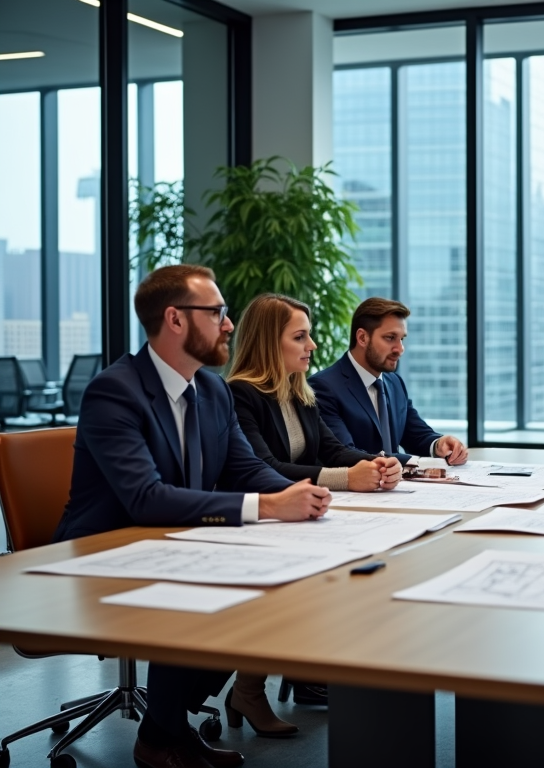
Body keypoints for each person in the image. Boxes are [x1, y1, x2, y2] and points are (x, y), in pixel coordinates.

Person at [54, 265, 333, 768]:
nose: (229, 325)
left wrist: (303, 496)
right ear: (175, 321)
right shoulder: (114, 391)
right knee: (209, 596)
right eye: (218, 313)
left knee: (269, 590)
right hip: (102, 553)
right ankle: (162, 736)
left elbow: (245, 467)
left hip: (175, 542)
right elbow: (146, 497)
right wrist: (267, 507)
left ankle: (165, 727)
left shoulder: (213, 390)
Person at [225, 293, 403, 727]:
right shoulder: (239, 394)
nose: (313, 346)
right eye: (300, 336)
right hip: (252, 519)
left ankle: (305, 671)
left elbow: (332, 448)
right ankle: (247, 691)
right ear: (270, 342)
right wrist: (346, 479)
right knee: (296, 577)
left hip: (296, 512)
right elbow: (263, 466)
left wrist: (373, 463)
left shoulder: (297, 390)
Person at [309, 297, 468, 466]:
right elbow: (344, 453)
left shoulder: (394, 383)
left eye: (402, 339)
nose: (400, 349)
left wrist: (439, 444)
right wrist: (417, 462)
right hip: (356, 490)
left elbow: (415, 434)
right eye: (390, 338)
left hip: (397, 488)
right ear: (362, 338)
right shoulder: (323, 387)